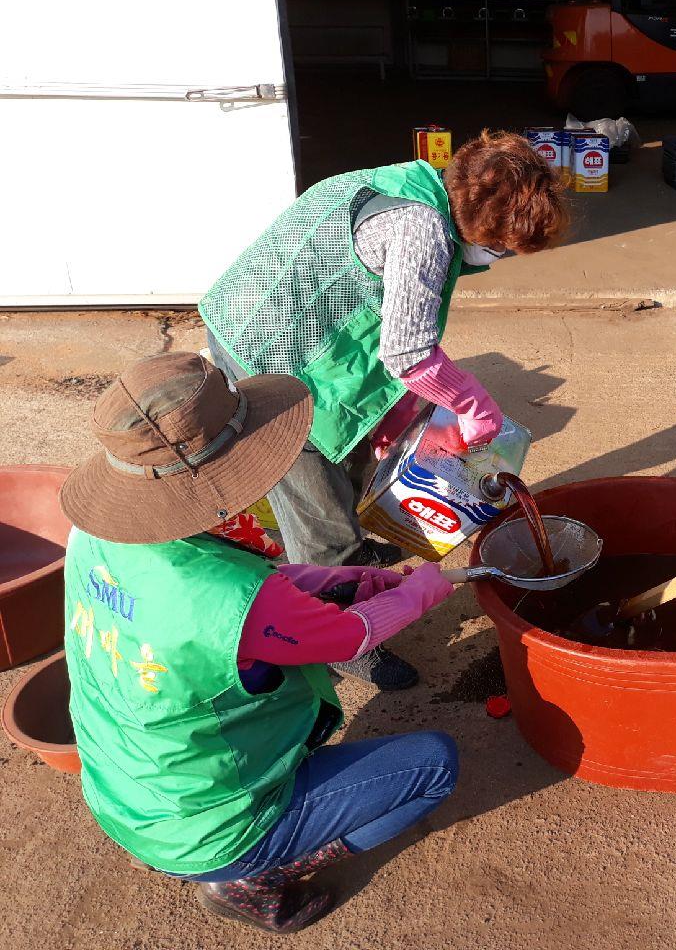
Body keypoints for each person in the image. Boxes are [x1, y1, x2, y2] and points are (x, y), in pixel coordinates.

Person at [60, 352, 460, 934]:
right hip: (206, 826)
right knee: (435, 765)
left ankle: (233, 848)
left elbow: (203, 585)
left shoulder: (93, 534)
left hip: (127, 794)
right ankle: (249, 876)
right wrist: (425, 587)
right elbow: (353, 634)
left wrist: (326, 579)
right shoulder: (233, 599)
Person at [200, 130, 570, 690]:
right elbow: (408, 352)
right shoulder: (421, 231)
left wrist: (395, 416)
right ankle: (343, 637)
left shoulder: (410, 182)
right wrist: (473, 405)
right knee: (316, 506)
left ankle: (352, 556)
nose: (497, 260)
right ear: (482, 226)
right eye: (501, 249)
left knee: (357, 455)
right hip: (268, 357)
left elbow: (384, 324)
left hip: (296, 322)